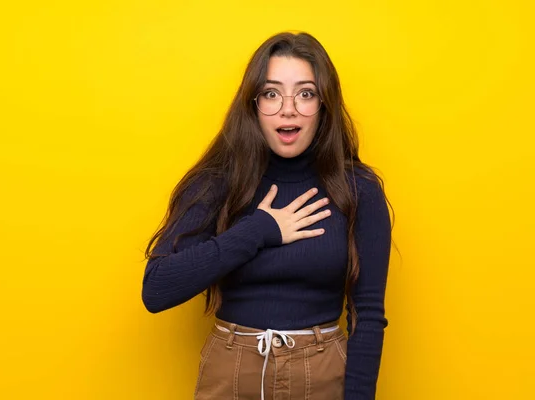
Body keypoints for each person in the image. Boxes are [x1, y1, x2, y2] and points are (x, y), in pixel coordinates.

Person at [142, 31, 393, 400]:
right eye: (272, 93)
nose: (288, 108)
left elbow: (368, 315)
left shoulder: (359, 189)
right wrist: (259, 230)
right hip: (230, 373)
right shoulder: (216, 183)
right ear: (253, 103)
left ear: (324, 105)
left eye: (305, 94)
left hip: (322, 373)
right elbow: (157, 289)